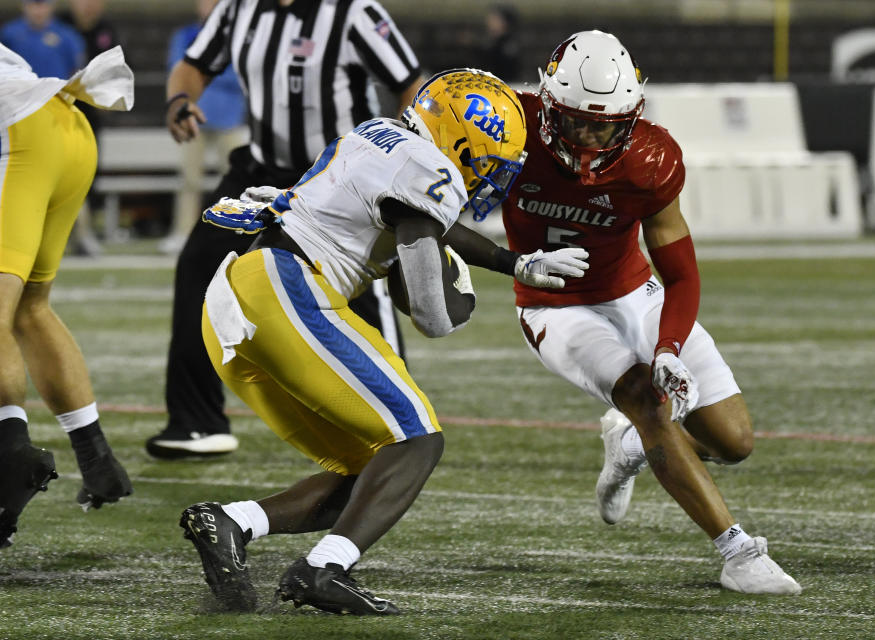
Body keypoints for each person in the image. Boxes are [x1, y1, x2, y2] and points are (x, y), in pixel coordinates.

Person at [178, 68, 589, 614]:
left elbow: (425, 225)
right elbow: (431, 315)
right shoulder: (430, 169)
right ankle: (323, 569)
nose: (489, 176)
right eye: (489, 160)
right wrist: (458, 288)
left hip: (233, 298)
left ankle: (230, 523)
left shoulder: (378, 134)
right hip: (287, 288)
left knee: (370, 470)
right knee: (419, 438)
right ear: (463, 140)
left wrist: (515, 263)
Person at [499, 31, 802, 595]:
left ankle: (632, 444)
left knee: (733, 442)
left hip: (632, 292)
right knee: (647, 399)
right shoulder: (508, 125)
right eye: (575, 122)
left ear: (631, 115)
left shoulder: (651, 158)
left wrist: (667, 348)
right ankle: (736, 552)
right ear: (547, 105)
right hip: (554, 306)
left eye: (605, 125)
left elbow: (682, 273)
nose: (590, 138)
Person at [146, 0, 426, 459]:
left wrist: (397, 156)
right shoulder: (239, 9)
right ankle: (196, 423)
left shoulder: (354, 12)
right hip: (260, 171)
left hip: (337, 176)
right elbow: (194, 65)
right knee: (199, 264)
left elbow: (410, 83)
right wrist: (181, 99)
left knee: (362, 289)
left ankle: (401, 425)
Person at [0, 43, 134, 548]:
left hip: (20, 133)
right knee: (31, 310)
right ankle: (96, 458)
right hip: (67, 127)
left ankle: (10, 456)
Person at [159, 0, 247, 256]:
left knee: (236, 181)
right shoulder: (185, 35)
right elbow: (178, 70)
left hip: (230, 117)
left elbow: (240, 73)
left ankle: (237, 232)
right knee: (189, 179)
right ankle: (183, 233)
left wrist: (202, 74)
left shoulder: (237, 33)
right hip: (194, 117)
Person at [59, 0, 121, 257]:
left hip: (89, 117)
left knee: (86, 176)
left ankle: (83, 234)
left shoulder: (107, 31)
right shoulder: (61, 29)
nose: (88, 5)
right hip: (59, 113)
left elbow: (114, 72)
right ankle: (68, 234)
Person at [1, 0, 85, 81]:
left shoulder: (67, 35)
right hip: (21, 91)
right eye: (32, 5)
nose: (37, 11)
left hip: (56, 92)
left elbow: (77, 69)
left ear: (52, 6)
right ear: (24, 6)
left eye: (43, 5)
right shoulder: (9, 33)